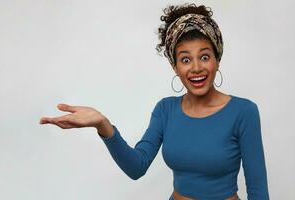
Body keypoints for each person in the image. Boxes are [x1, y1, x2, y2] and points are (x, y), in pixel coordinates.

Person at [39, 3, 270, 200]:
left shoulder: (243, 112)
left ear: (217, 60)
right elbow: (136, 167)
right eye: (185, 59)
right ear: (175, 66)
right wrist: (103, 125)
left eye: (205, 56)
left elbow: (258, 191)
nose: (197, 67)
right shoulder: (166, 109)